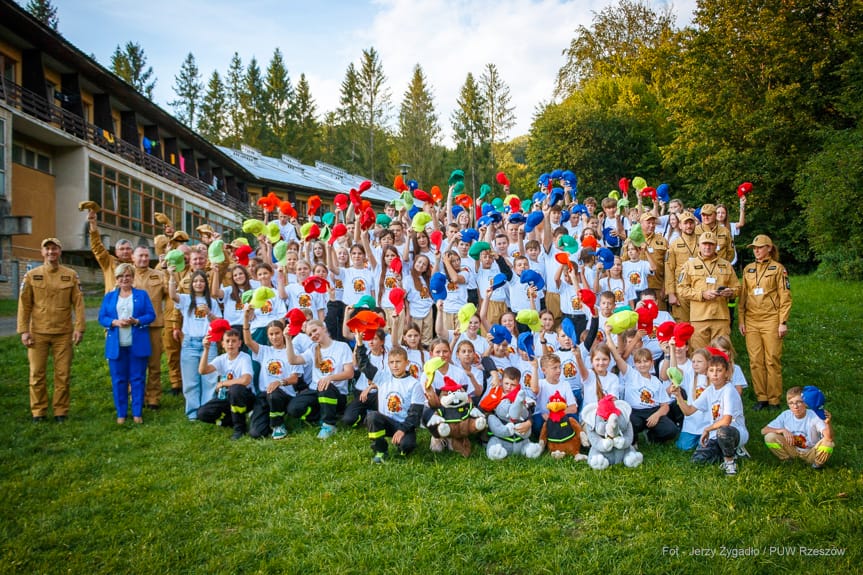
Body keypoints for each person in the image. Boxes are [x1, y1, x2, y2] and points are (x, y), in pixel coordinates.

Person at [17, 238, 86, 423]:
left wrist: (79, 327)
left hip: (63, 333)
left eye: (54, 249)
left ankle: (60, 411)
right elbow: (24, 304)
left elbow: (78, 304)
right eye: (47, 249)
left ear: (60, 252)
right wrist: (23, 330)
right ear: (42, 252)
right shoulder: (32, 275)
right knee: (36, 374)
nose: (50, 252)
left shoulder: (70, 275)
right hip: (37, 332)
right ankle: (38, 412)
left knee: (63, 374)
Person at [671, 352, 748, 476]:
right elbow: (689, 411)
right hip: (715, 434)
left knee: (724, 432)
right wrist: (678, 395)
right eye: (711, 370)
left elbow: (726, 421)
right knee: (697, 460)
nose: (715, 374)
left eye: (719, 370)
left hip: (735, 432)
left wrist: (707, 429)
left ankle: (730, 463)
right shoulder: (709, 391)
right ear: (707, 373)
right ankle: (724, 452)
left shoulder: (729, 390)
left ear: (727, 373)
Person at [738, 234, 792, 410]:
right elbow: (743, 297)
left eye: (760, 247)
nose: (756, 251)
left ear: (769, 248)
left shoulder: (778, 269)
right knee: (755, 361)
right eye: (754, 248)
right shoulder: (748, 269)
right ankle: (761, 397)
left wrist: (782, 321)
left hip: (771, 319)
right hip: (752, 320)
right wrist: (741, 319)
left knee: (772, 360)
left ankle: (774, 400)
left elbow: (785, 296)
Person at [98, 263, 156, 424]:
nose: (124, 279)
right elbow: (102, 318)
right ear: (116, 279)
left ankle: (137, 412)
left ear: (132, 277)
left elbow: (151, 315)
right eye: (120, 276)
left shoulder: (141, 295)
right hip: (117, 345)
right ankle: (121, 413)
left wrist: (137, 320)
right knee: (119, 380)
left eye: (127, 276)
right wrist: (114, 322)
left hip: (137, 343)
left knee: (137, 379)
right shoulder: (109, 297)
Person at [285, 320, 354, 439]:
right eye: (310, 334)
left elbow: (349, 373)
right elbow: (293, 360)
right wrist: (288, 339)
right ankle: (321, 416)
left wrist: (330, 378)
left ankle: (329, 425)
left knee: (325, 386)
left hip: (336, 393)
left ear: (324, 328)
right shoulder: (313, 349)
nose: (313, 335)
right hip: (315, 390)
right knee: (293, 409)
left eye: (315, 330)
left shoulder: (342, 346)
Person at [168, 269, 221, 420]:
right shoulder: (186, 300)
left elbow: (219, 323)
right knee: (191, 379)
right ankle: (192, 412)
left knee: (209, 378)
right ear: (192, 284)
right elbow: (172, 295)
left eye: (202, 281)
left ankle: (206, 411)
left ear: (206, 284)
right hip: (190, 343)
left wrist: (209, 313)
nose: (199, 284)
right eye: (196, 281)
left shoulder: (212, 301)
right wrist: (172, 275)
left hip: (208, 342)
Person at [358, 345, 425, 463]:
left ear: (407, 362)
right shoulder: (383, 378)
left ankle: (402, 443)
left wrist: (402, 430)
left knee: (406, 448)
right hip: (386, 422)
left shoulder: (414, 384)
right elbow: (364, 365)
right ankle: (380, 450)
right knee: (372, 416)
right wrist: (359, 345)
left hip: (404, 424)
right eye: (391, 362)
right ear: (388, 364)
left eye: (398, 362)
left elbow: (415, 413)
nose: (395, 365)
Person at [676, 231, 740, 351]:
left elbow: (737, 288)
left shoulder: (726, 265)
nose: (707, 247)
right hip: (699, 317)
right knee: (700, 354)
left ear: (715, 246)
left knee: (722, 354)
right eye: (704, 244)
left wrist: (730, 292)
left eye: (711, 244)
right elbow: (681, 289)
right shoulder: (689, 265)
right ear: (699, 245)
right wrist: (701, 294)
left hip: (721, 317)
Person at [196, 329, 255, 440]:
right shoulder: (221, 359)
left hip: (245, 397)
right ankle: (231, 421)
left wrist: (223, 383)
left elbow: (246, 380)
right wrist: (206, 349)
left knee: (235, 389)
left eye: (234, 341)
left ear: (239, 343)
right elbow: (202, 370)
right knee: (202, 413)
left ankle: (240, 429)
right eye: (227, 341)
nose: (230, 344)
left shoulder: (244, 357)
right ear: (222, 344)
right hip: (227, 397)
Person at [131, 246, 169, 410]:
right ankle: (136, 397)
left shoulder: (159, 275)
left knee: (154, 365)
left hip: (154, 326)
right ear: (133, 257)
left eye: (146, 256)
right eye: (140, 256)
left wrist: (168, 272)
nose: (144, 259)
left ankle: (153, 398)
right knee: (135, 364)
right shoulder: (128, 275)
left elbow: (170, 294)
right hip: (133, 327)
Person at [761, 387, 834, 469]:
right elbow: (763, 430)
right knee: (769, 437)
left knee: (828, 444)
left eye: (799, 402)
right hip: (793, 450)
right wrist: (782, 430)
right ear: (788, 404)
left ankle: (817, 464)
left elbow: (829, 438)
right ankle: (786, 460)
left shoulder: (814, 415)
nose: (795, 406)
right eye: (791, 403)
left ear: (805, 403)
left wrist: (827, 423)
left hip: (811, 452)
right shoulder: (786, 415)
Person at [87, 208, 133, 293]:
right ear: (116, 252)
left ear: (132, 251)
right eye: (122, 249)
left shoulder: (137, 265)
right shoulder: (109, 262)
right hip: (112, 303)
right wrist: (93, 223)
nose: (125, 251)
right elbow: (97, 248)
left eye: (128, 248)